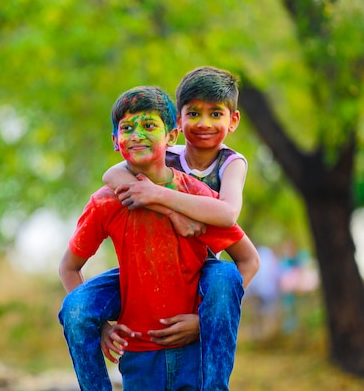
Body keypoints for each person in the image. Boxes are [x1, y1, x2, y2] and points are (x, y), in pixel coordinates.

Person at [58, 67, 259, 391]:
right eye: (128, 129)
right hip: (140, 311)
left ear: (170, 134)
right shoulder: (112, 198)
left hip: (202, 266)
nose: (138, 135)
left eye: (149, 126)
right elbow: (112, 176)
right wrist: (102, 327)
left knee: (225, 276)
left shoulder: (224, 168)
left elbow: (228, 218)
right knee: (77, 308)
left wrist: (204, 321)